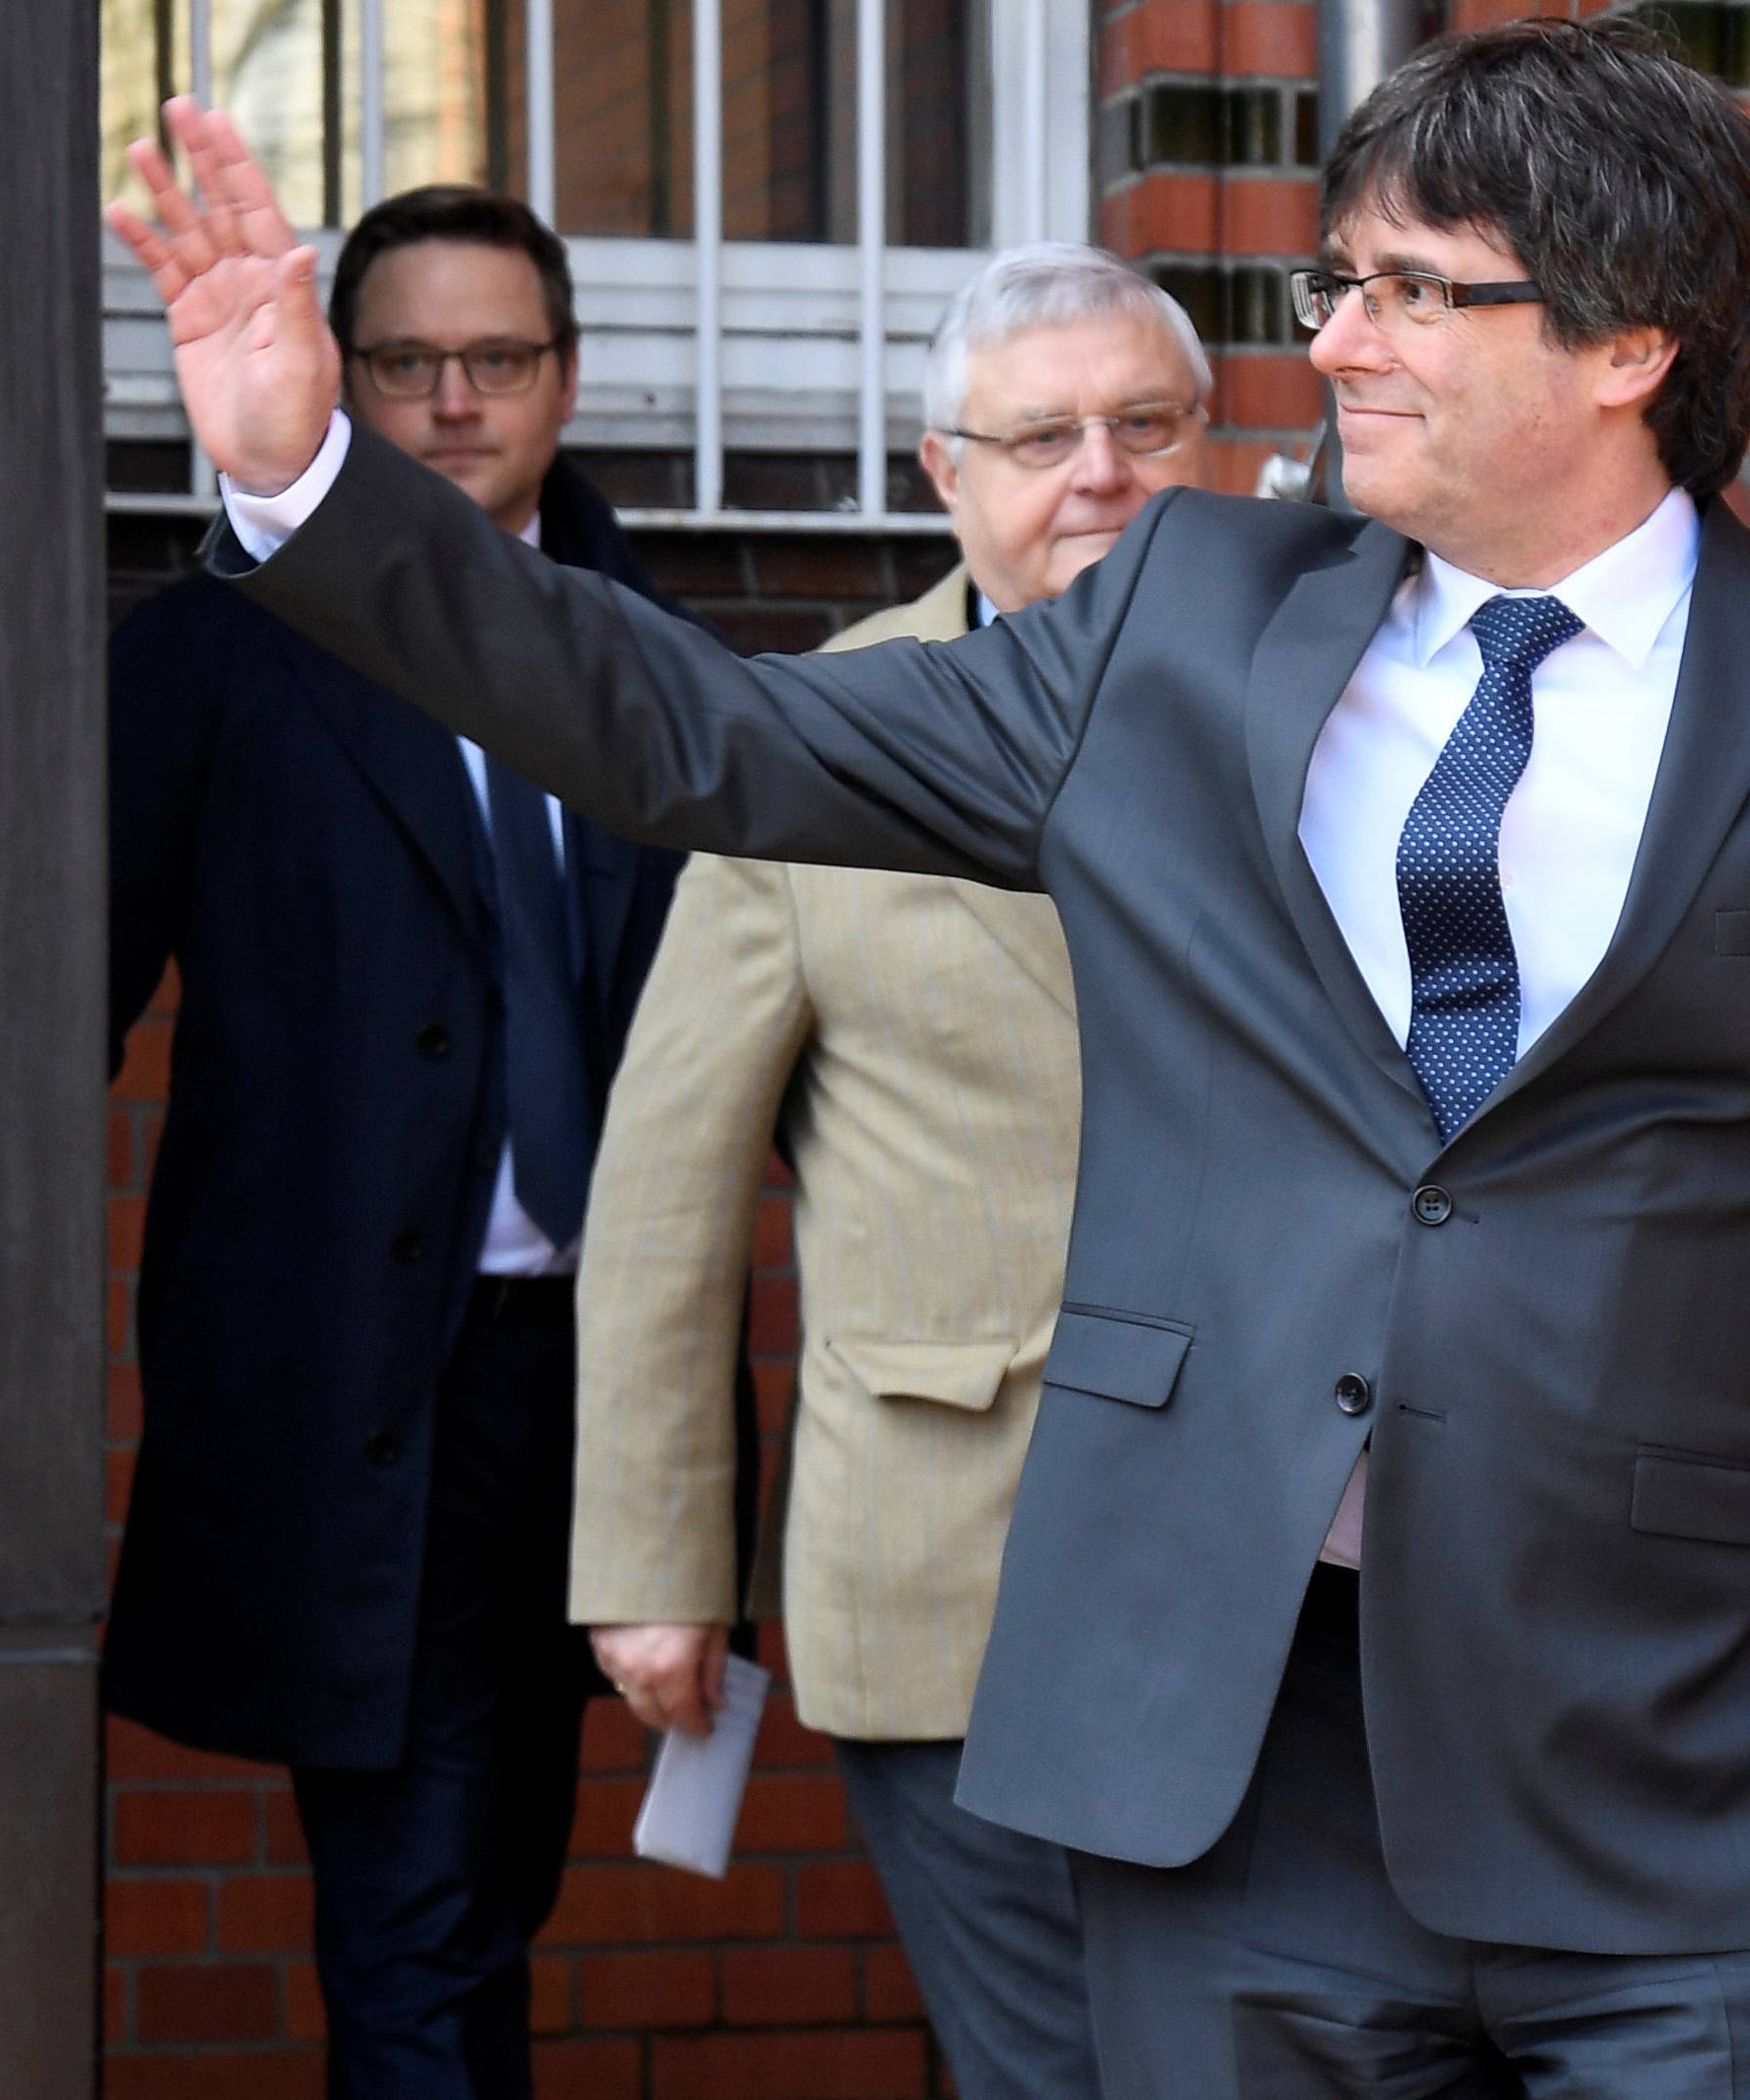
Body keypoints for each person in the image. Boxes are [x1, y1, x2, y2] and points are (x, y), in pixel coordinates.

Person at [114, 18, 1750, 2093]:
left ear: (1629, 346)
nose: (1338, 345)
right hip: (1238, 1762)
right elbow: (714, 734)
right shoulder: (1187, 621)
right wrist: (305, 477)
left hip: (1671, 1765)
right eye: (1337, 280)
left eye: (1419, 292)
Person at [105, 185, 721, 2100]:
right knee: (415, 1907)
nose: (455, 401)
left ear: (566, 376)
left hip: (595, 1389)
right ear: (341, 370)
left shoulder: (662, 658)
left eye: (499, 358)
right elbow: (69, 990)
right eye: (407, 361)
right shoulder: (213, 648)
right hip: (367, 1393)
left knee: (487, 1885)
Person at [574, 243, 1208, 2100]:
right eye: (1041, 434)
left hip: (1271, 1583)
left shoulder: (1344, 717)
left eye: (1141, 424)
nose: (1097, 470)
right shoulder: (820, 740)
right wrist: (656, 1564)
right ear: (946, 472)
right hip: (954, 1566)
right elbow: (667, 1194)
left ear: (1212, 435)